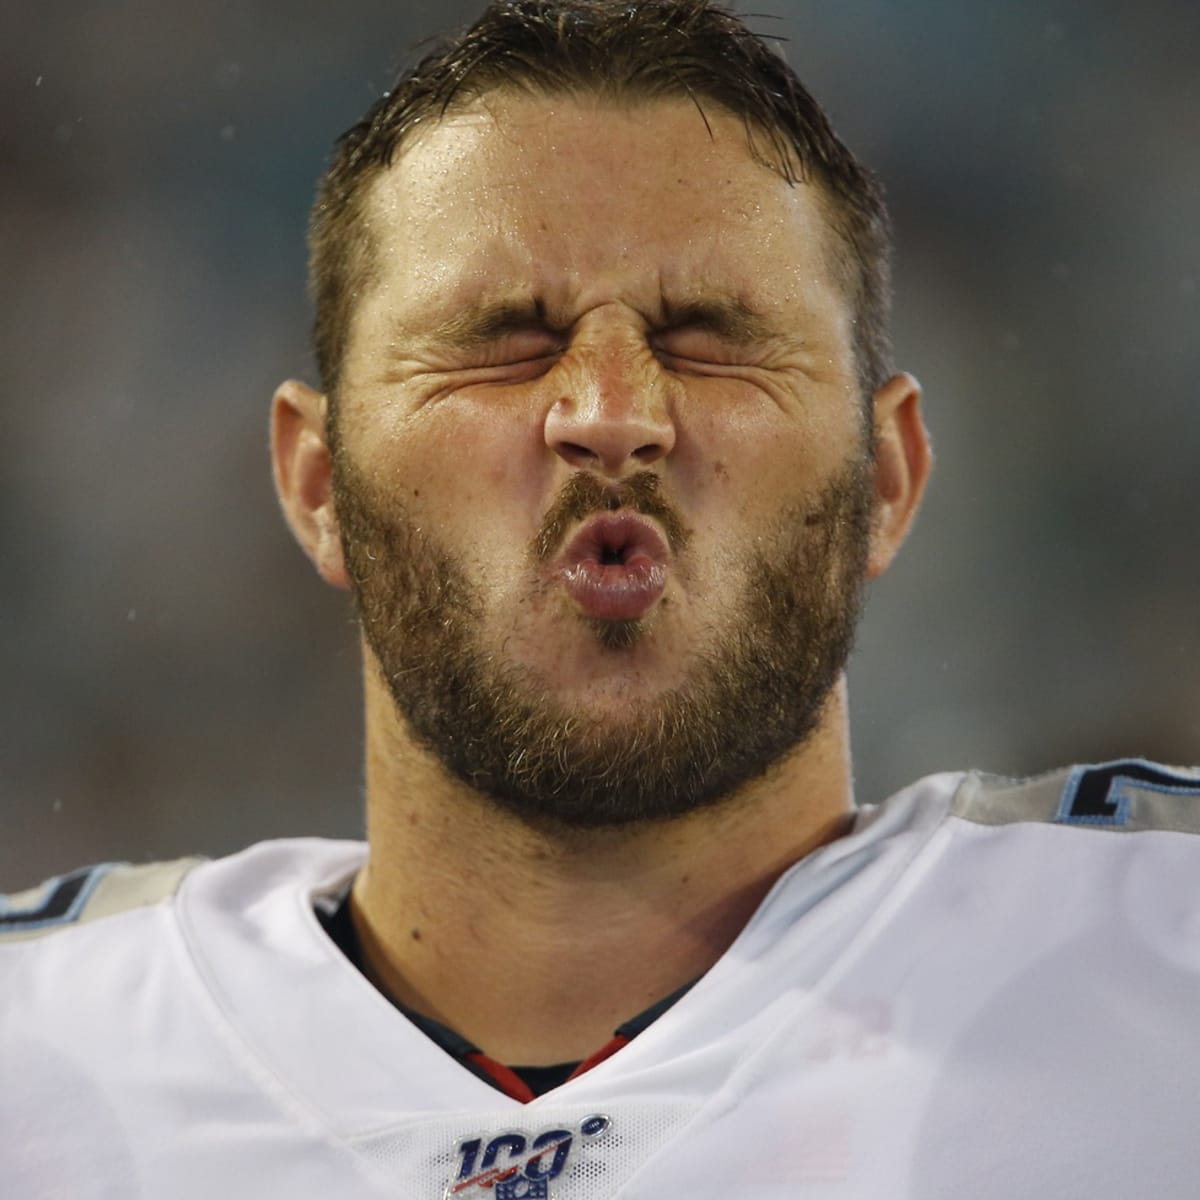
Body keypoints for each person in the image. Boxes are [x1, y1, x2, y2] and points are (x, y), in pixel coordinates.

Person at [2, 1, 1198, 1196]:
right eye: (508, 338)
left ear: (885, 477)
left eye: (708, 337)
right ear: (318, 484)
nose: (612, 411)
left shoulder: (1161, 950)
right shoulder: (37, 1055)